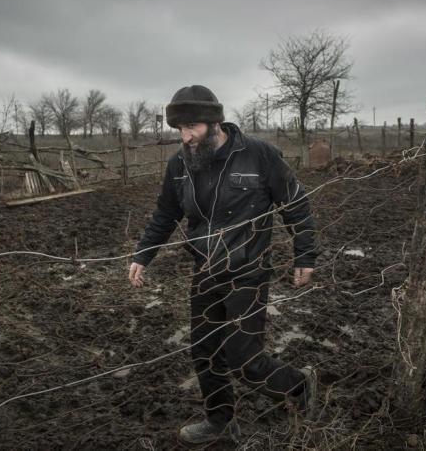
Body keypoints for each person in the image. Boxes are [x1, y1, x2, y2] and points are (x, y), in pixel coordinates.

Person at [128, 85, 320, 445]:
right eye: (180, 129)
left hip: (248, 271)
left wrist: (304, 255)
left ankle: (299, 383)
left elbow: (295, 205)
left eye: (193, 127)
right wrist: (144, 254)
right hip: (205, 271)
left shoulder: (259, 155)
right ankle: (220, 422)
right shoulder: (180, 164)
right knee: (205, 352)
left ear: (215, 122)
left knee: (244, 361)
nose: (186, 137)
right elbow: (166, 213)